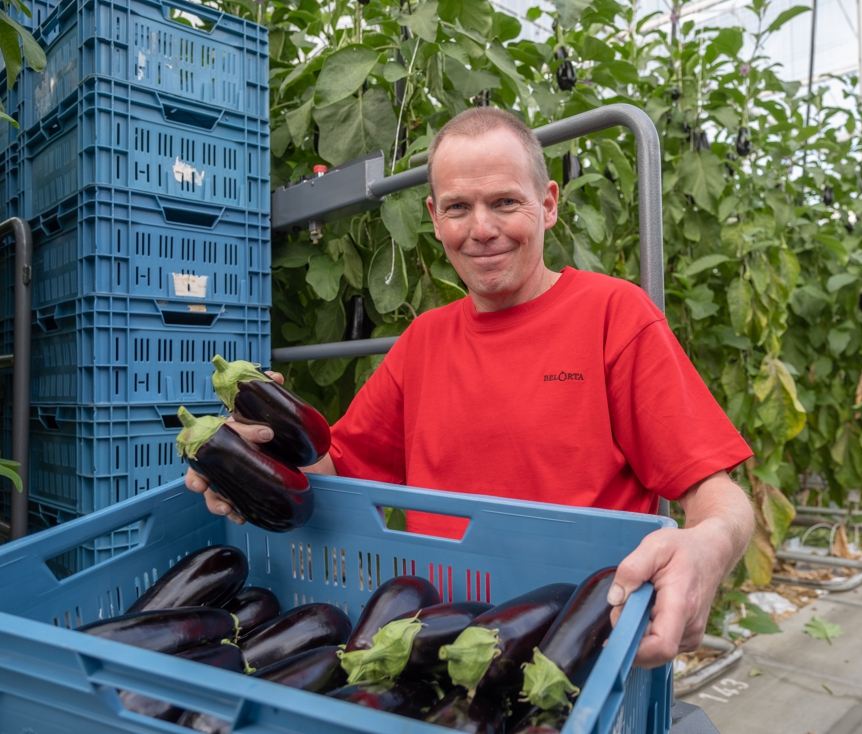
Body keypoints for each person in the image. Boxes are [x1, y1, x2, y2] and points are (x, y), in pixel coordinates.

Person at [186, 107, 755, 668]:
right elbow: (335, 474)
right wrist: (246, 460)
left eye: (505, 202)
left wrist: (709, 546)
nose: (482, 230)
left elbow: (715, 493)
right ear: (435, 218)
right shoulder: (423, 343)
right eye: (459, 208)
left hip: (580, 646)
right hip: (439, 646)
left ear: (548, 204)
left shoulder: (614, 316)